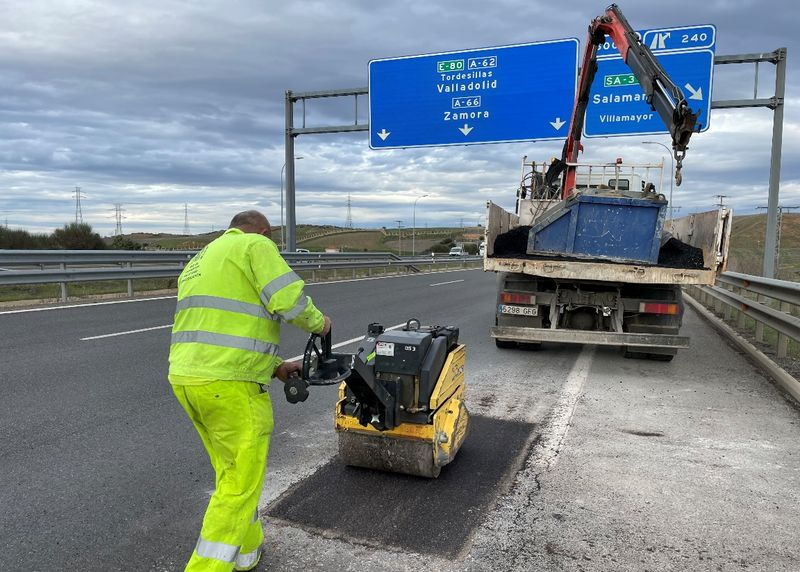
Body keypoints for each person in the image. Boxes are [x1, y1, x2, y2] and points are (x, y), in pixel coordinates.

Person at [168, 210, 331, 571]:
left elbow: (220, 330)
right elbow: (288, 300)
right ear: (264, 231)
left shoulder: (201, 258)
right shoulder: (256, 245)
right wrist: (321, 324)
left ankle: (247, 554)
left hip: (188, 379)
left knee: (233, 474)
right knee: (239, 485)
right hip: (231, 388)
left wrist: (276, 368)